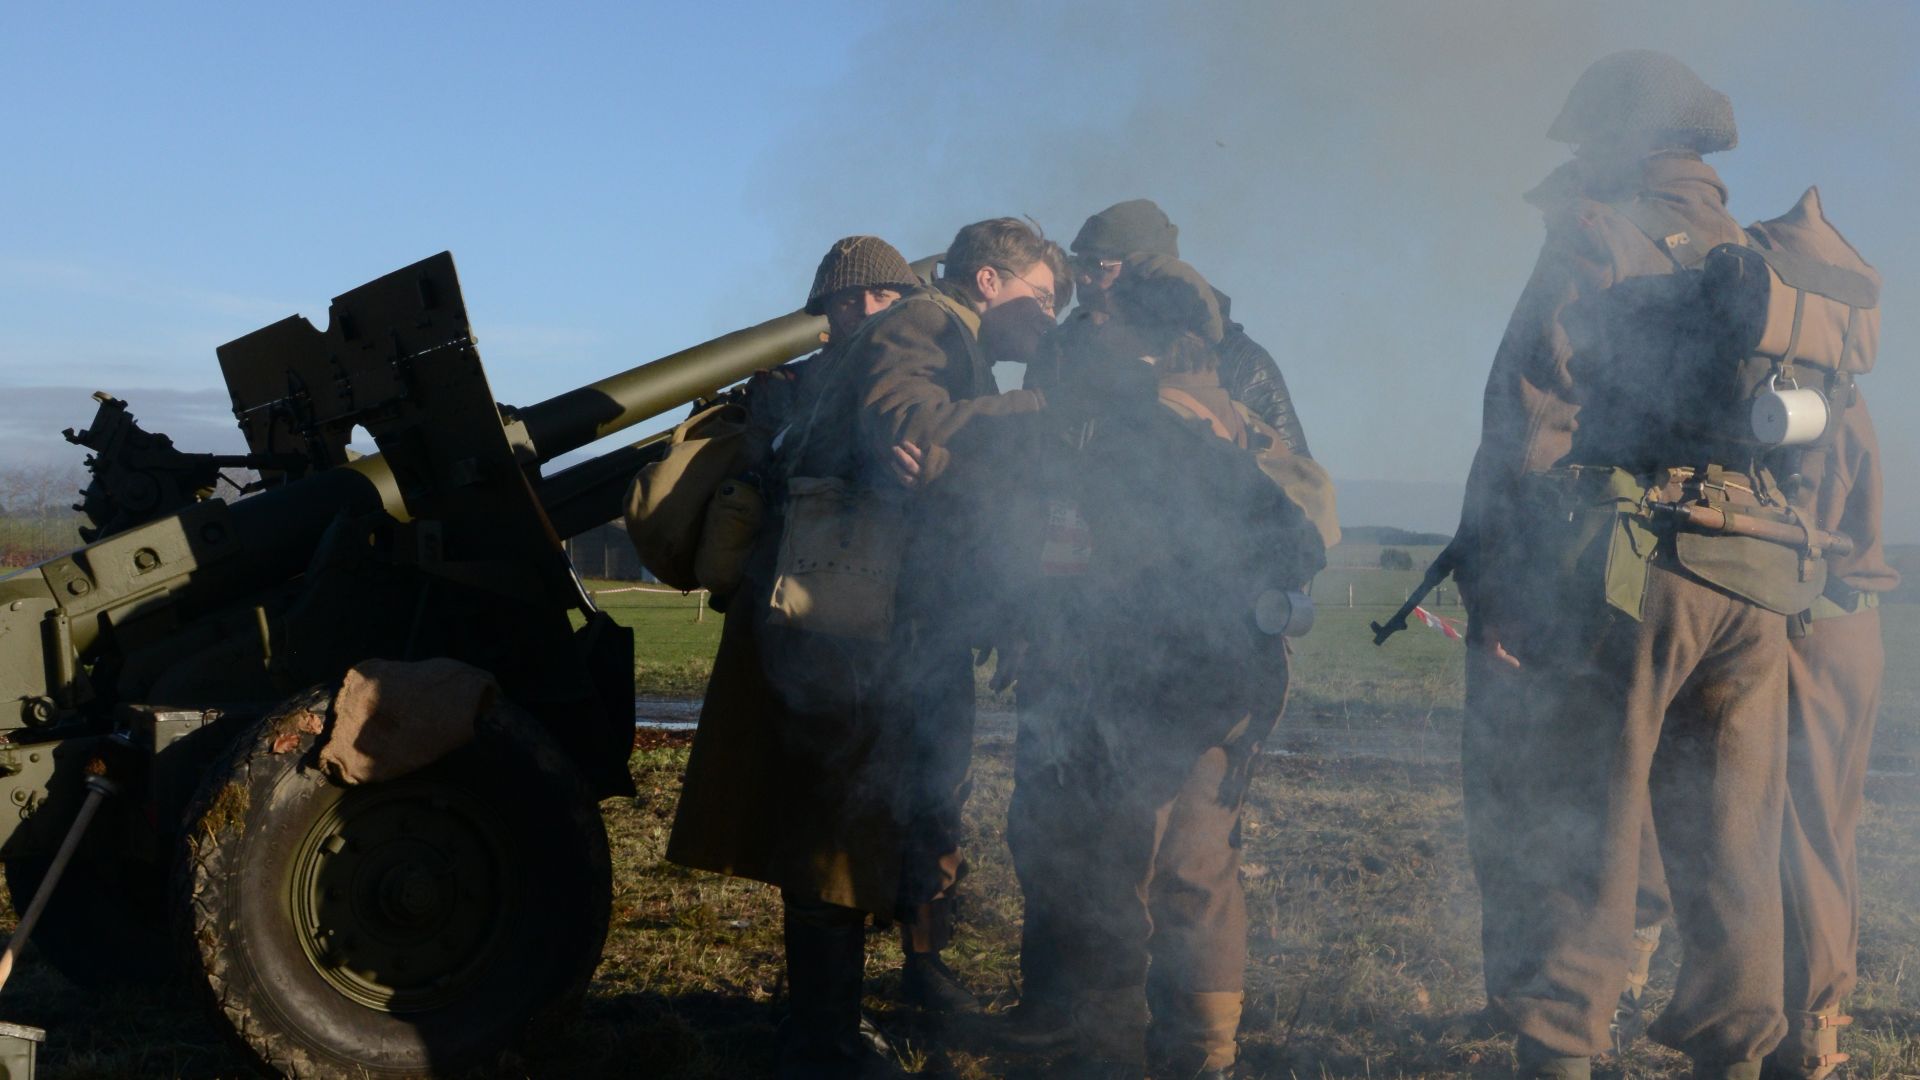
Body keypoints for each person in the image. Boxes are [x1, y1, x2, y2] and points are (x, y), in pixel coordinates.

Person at [1453, 50, 1809, 1080]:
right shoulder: (1755, 252)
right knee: (1732, 842)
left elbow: (1528, 417)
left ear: (1622, 141)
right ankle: (1736, 1058)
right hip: (1757, 573)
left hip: (1635, 569)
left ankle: (1561, 1051)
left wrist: (1497, 583)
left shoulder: (1597, 232)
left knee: (1587, 822)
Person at [997, 257, 1333, 1079]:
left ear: (1150, 339)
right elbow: (1304, 543)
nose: (1096, 331)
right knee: (1199, 865)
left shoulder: (1147, 424)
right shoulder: (1248, 427)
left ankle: (1116, 1048)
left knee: (1126, 864)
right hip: (1231, 675)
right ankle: (1200, 1056)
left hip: (1150, 673)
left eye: (1112, 322)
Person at [1061, 198, 1311, 455]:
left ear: (1151, 271)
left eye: (1097, 265)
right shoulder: (1061, 349)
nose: (1083, 277)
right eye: (1078, 263)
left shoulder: (1242, 364)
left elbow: (1297, 485)